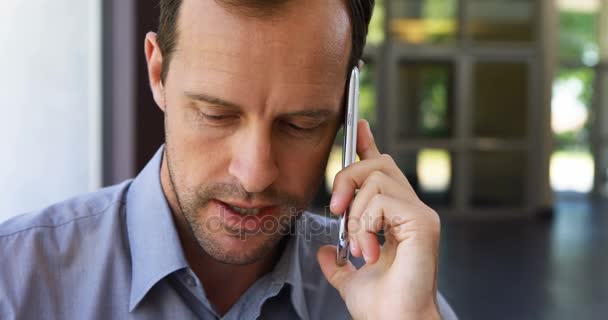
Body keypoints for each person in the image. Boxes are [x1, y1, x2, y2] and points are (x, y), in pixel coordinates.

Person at [0, 0, 458, 319]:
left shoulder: (387, 289)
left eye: (300, 124)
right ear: (158, 73)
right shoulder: (15, 282)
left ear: (346, 107)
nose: (256, 174)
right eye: (216, 115)